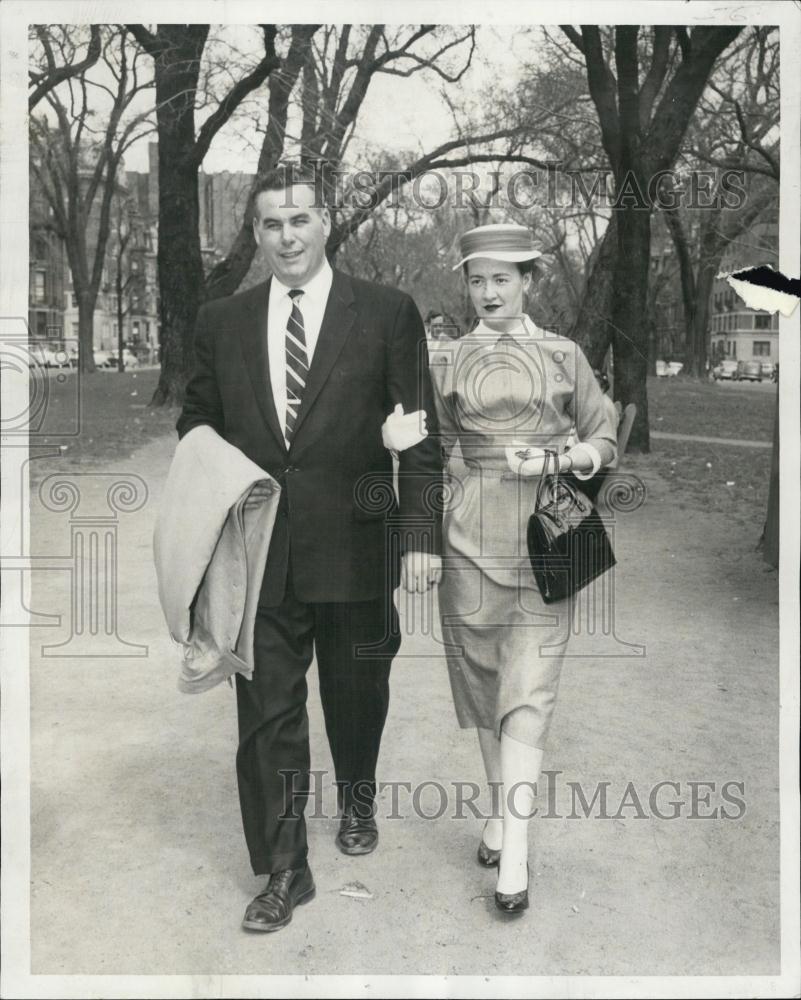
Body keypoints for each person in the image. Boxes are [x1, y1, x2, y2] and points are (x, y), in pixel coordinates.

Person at [177, 164, 443, 933]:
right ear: (254, 233)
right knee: (266, 713)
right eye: (269, 224)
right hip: (258, 551)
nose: (285, 237)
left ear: (325, 222)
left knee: (355, 695)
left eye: (298, 220)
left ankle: (357, 793)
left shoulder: (387, 312)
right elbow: (196, 421)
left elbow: (420, 435)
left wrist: (420, 536)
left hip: (359, 542)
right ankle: (285, 869)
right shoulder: (221, 321)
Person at [428, 223, 617, 914]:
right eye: (476, 280)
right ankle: (501, 814)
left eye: (501, 279)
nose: (487, 292)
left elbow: (605, 436)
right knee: (481, 681)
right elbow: (433, 449)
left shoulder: (564, 354)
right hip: (467, 538)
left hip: (548, 532)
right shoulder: (446, 360)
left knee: (529, 690)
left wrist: (558, 460)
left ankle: (516, 855)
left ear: (529, 282)